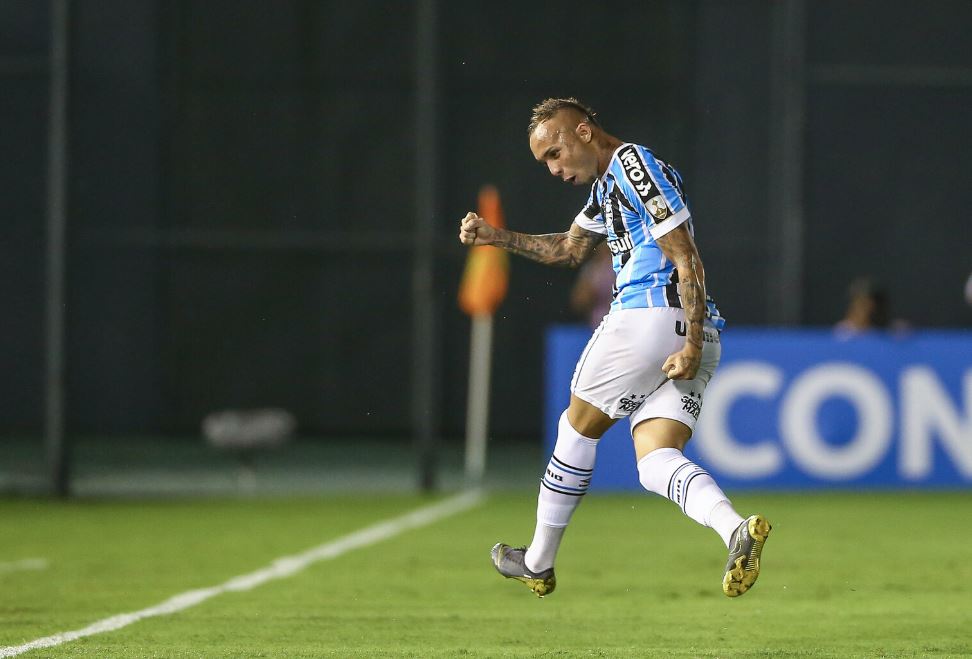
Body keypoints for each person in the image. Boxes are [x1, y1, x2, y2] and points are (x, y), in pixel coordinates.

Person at [458, 98, 770, 598]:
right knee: (655, 460)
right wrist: (496, 237)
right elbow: (568, 249)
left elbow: (685, 254)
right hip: (696, 331)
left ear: (583, 131)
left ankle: (537, 560)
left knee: (574, 427)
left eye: (555, 154)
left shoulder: (632, 165)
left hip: (651, 320)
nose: (554, 169)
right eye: (545, 164)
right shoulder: (608, 188)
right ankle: (734, 529)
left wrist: (687, 343)